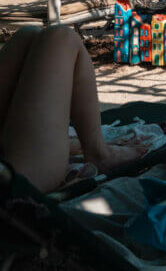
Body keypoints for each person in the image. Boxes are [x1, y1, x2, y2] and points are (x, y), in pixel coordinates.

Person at [0, 26, 147, 192]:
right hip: (12, 182)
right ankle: (99, 154)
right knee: (62, 38)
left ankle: (91, 147)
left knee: (28, 36)